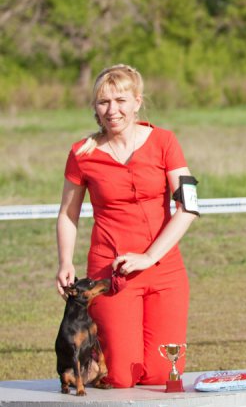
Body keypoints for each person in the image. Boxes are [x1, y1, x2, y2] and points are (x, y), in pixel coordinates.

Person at [56, 64, 198, 388]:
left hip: (164, 270)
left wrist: (148, 257)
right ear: (95, 107)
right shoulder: (81, 154)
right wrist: (65, 261)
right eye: (103, 102)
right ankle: (93, 363)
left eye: (120, 100)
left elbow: (189, 206)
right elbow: (68, 214)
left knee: (163, 374)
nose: (112, 110)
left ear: (137, 101)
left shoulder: (165, 141)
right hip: (110, 276)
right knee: (121, 377)